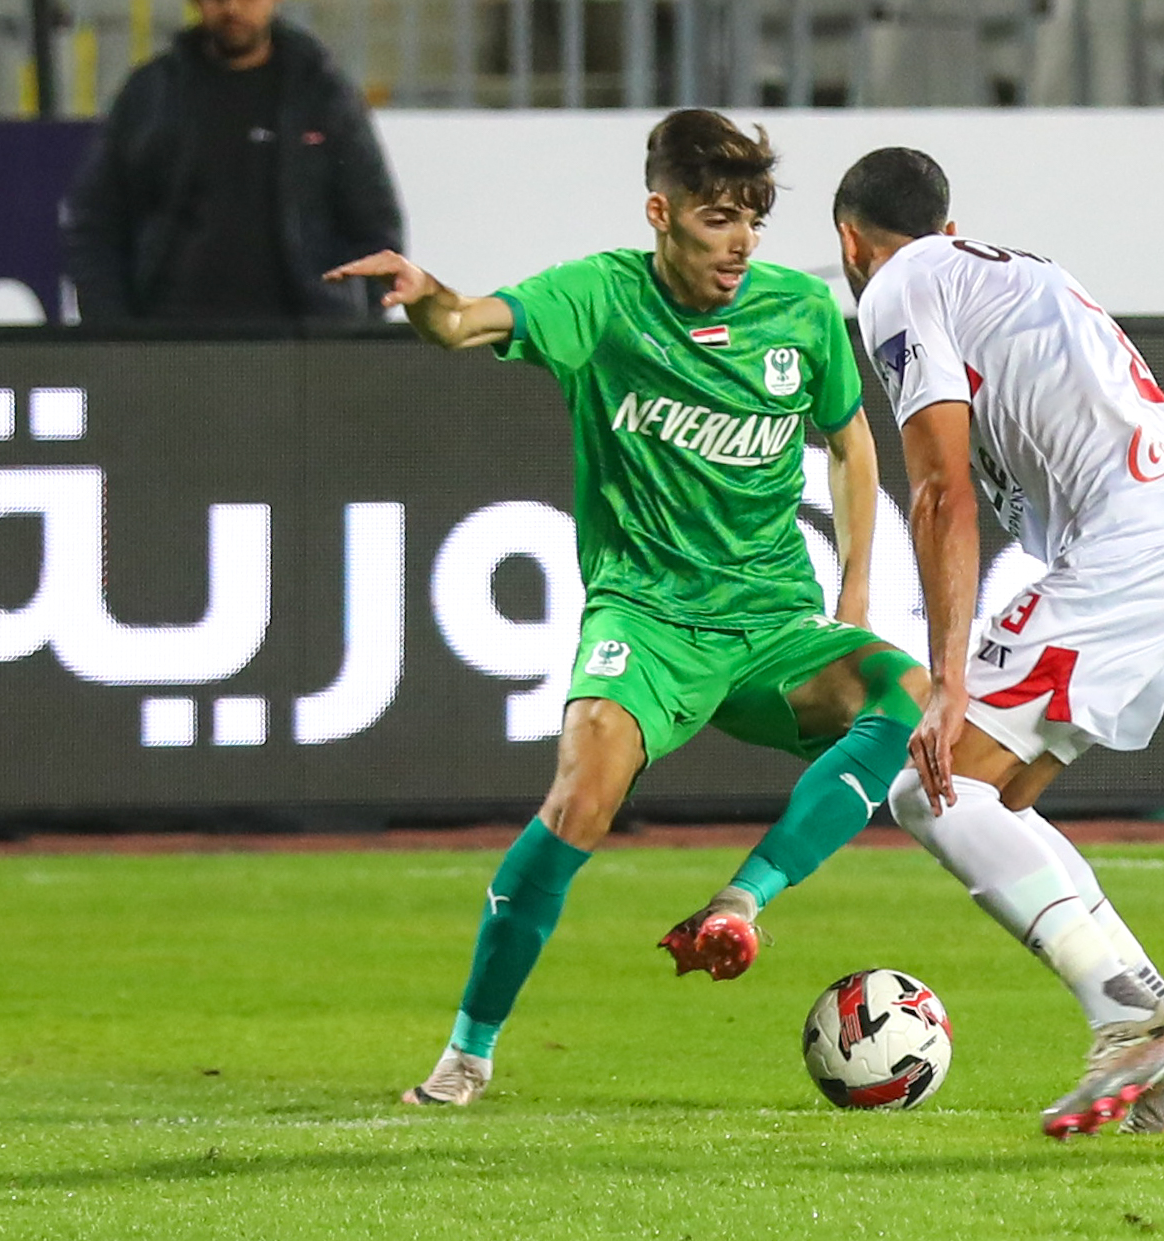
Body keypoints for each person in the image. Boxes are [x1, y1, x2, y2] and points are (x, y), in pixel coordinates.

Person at [325, 110, 926, 1107]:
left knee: (904, 688)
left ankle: (741, 900)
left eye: (752, 221)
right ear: (660, 211)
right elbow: (470, 323)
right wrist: (427, 297)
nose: (736, 243)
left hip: (772, 621)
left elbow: (849, 440)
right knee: (578, 799)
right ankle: (468, 1050)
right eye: (715, 218)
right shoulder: (598, 298)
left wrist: (853, 596)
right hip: (643, 621)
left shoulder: (799, 313)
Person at [833, 148, 1164, 1140]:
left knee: (934, 785)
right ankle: (1148, 1025)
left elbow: (939, 486)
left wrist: (944, 679)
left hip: (1127, 552)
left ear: (849, 242)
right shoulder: (1034, 277)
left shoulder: (897, 286)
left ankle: (1131, 1013)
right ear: (946, 225)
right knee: (1001, 798)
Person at [63, 0, 402, 323]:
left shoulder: (323, 95)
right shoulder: (152, 93)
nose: (232, 8)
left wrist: (348, 326)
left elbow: (375, 228)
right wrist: (114, 330)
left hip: (300, 347)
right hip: (168, 338)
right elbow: (96, 223)